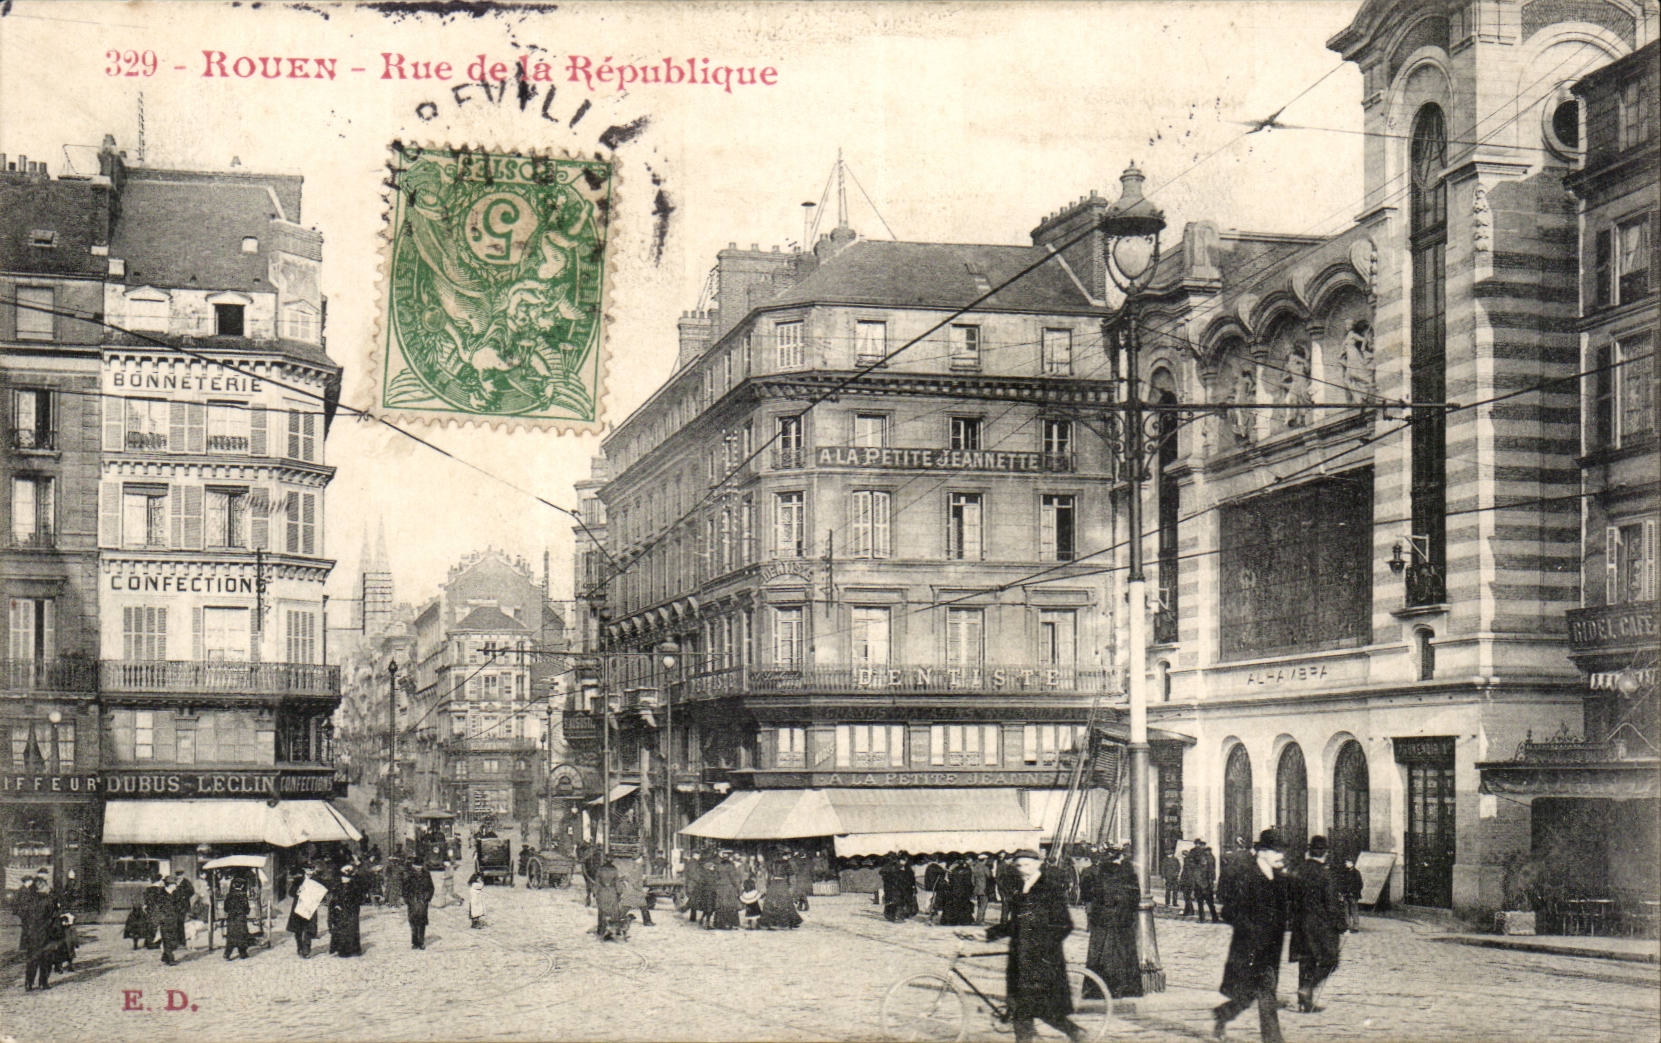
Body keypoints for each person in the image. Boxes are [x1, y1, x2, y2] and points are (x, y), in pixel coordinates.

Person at [985, 850, 1087, 1043]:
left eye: (1027, 865)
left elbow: (1064, 925)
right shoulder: (1021, 888)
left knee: (1042, 1010)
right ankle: (1075, 1034)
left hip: (1042, 960)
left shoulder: (1050, 888)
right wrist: (987, 933)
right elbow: (1017, 923)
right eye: (1019, 866)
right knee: (1021, 1011)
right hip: (1020, 959)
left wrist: (1043, 947)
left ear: (1038, 864)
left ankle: (1077, 1034)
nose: (1023, 870)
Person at [1212, 830, 1291, 1043]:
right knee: (1260, 993)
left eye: (1282, 851)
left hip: (1271, 947)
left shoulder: (1279, 879)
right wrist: (1250, 929)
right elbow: (1228, 911)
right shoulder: (1246, 875)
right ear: (1262, 852)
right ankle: (1273, 1040)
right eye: (1276, 851)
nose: (1281, 855)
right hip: (1249, 947)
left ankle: (1223, 1015)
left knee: (1255, 993)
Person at [1288, 835, 1346, 1013]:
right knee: (1330, 960)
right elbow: (1331, 903)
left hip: (1300, 924)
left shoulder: (1298, 870)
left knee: (1306, 962)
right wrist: (1341, 925)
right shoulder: (1325, 874)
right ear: (1325, 853)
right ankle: (1307, 989)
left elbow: (1290, 898)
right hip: (1320, 925)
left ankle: (1304, 1003)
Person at [1085, 845, 1142, 999]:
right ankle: (1126, 988)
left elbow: (1091, 895)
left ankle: (1099, 989)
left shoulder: (1098, 873)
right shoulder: (1129, 874)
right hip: (1122, 921)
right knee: (1123, 954)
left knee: (1101, 954)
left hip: (1103, 920)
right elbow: (1134, 898)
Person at [16, 875, 57, 991]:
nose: (44, 886)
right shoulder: (44, 900)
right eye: (42, 885)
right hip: (41, 933)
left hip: (36, 933)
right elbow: (53, 915)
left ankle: (33, 983)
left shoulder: (32, 900)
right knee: (41, 959)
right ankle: (39, 983)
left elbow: (22, 914)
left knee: (37, 959)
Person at [287, 865, 327, 958]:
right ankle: (300, 947)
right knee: (298, 930)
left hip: (310, 908)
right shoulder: (298, 881)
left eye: (311, 871)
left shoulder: (317, 881)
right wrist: (297, 891)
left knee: (308, 929)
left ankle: (306, 950)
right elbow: (291, 892)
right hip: (298, 907)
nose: (309, 873)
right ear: (304, 871)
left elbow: (322, 893)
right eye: (307, 871)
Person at [329, 863, 367, 956]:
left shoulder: (355, 886)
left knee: (352, 929)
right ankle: (342, 950)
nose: (345, 880)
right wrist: (336, 905)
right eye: (344, 877)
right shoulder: (338, 886)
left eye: (347, 877)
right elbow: (334, 898)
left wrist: (355, 905)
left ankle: (353, 949)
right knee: (341, 930)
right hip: (341, 911)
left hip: (352, 911)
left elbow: (360, 898)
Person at [1185, 838, 1220, 923]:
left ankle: (1202, 918)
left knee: (1201, 903)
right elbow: (1210, 874)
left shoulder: (1196, 868)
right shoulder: (1206, 863)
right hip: (1206, 886)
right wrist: (1211, 884)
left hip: (1200, 886)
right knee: (1209, 903)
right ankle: (1214, 918)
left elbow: (1194, 878)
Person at [157, 873, 189, 965]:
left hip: (175, 920)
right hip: (165, 920)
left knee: (174, 940)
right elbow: (158, 908)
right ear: (170, 885)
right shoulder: (161, 894)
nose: (176, 885)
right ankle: (170, 959)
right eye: (174, 884)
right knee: (167, 939)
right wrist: (160, 918)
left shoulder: (176, 894)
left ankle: (165, 955)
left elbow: (181, 906)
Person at [404, 860, 435, 949]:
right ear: (413, 866)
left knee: (421, 922)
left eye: (419, 867)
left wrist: (427, 897)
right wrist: (408, 900)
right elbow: (405, 889)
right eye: (416, 867)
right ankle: (414, 942)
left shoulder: (426, 875)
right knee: (413, 922)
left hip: (422, 901)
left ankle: (421, 942)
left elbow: (431, 888)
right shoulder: (409, 875)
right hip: (412, 901)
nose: (418, 869)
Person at [222, 877, 255, 960]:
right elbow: (247, 909)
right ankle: (243, 953)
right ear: (242, 886)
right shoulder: (243, 896)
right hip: (240, 918)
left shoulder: (229, 896)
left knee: (231, 937)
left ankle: (227, 954)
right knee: (242, 936)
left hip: (231, 918)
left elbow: (225, 908)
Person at [711, 851, 743, 930]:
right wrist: (738, 888)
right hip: (729, 888)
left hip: (720, 888)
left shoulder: (718, 866)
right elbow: (734, 878)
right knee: (730, 905)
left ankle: (719, 923)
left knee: (720, 905)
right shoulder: (731, 866)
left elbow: (715, 877)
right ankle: (729, 923)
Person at [940, 857, 977, 926]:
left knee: (953, 905)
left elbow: (950, 880)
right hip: (963, 891)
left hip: (954, 890)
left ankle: (951, 921)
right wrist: (970, 890)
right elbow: (968, 882)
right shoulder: (967, 870)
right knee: (964, 905)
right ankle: (964, 921)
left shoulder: (953, 870)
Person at [1334, 858, 1364, 933]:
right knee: (1346, 910)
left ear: (1352, 863)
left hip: (1353, 895)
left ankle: (1355, 927)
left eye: (1347, 862)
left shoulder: (1356, 873)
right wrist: (1341, 892)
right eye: (1346, 862)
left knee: (1354, 910)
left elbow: (1360, 884)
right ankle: (1347, 926)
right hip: (1345, 894)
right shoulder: (1345, 872)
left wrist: (1353, 892)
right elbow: (1342, 883)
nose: (1346, 864)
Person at [922, 856, 947, 922]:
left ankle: (928, 912)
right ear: (936, 860)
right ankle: (931, 913)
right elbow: (943, 872)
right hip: (934, 887)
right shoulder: (935, 867)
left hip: (929, 887)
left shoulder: (929, 867)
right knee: (933, 900)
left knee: (929, 900)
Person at [971, 854, 993, 924]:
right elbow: (989, 877)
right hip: (984, 889)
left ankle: (978, 919)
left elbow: (972, 880)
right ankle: (980, 920)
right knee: (983, 905)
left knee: (979, 905)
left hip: (977, 889)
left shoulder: (975, 868)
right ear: (984, 860)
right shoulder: (985, 867)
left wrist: (976, 886)